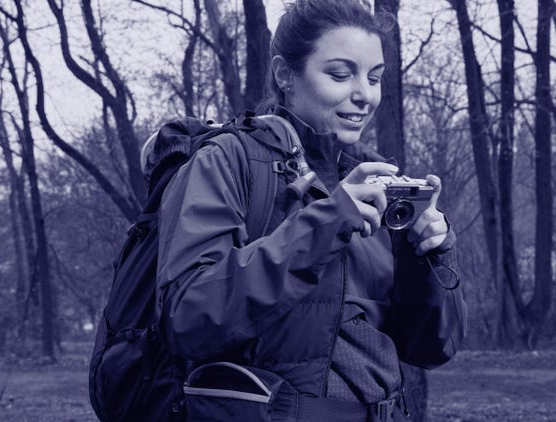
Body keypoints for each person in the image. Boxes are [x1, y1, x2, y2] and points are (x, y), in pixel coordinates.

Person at [156, 0, 466, 420]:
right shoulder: (228, 160)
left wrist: (430, 256)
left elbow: (430, 348)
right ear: (286, 75)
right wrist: (329, 221)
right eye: (340, 74)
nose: (364, 95)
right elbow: (188, 316)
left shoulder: (376, 178)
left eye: (375, 78)